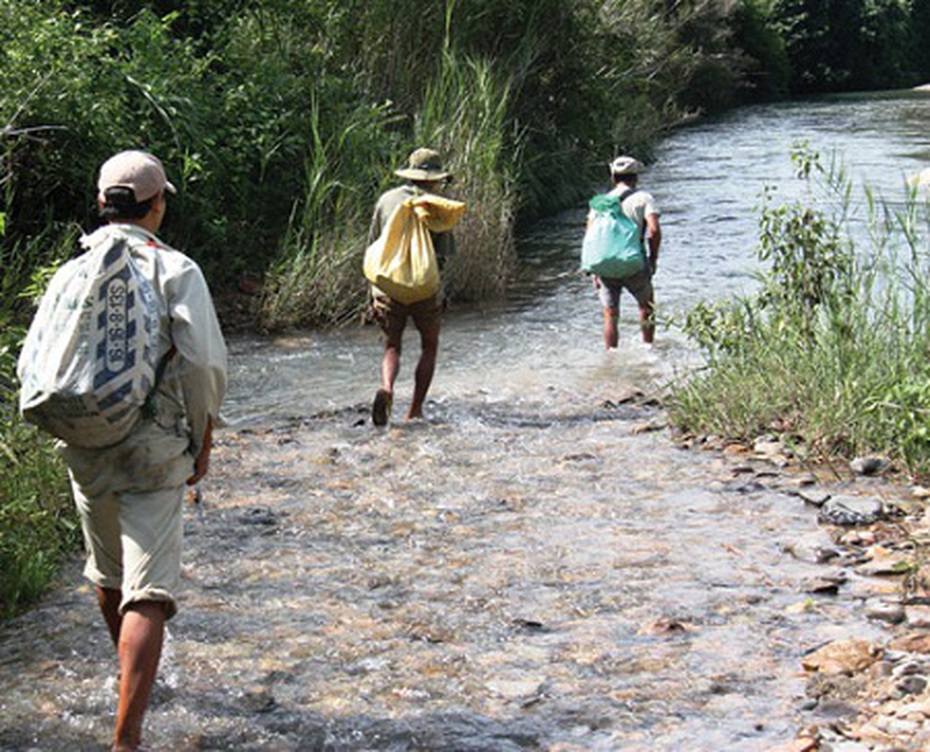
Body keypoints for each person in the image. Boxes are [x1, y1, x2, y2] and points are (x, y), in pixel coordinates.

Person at [56, 150, 227, 751]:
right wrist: (203, 437)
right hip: (151, 447)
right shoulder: (175, 269)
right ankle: (126, 740)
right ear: (156, 205)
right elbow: (203, 362)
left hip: (82, 437)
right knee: (148, 592)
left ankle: (130, 675)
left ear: (103, 204)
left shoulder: (73, 268)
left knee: (107, 575)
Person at [366, 147, 456, 426]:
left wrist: (370, 293)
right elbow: (444, 256)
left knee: (392, 345)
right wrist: (444, 293)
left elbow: (374, 246)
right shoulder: (437, 207)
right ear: (434, 178)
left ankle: (388, 389)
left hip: (388, 287)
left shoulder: (386, 200)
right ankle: (414, 410)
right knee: (429, 345)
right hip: (424, 289)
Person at [588, 155, 662, 348]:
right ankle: (648, 349)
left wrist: (594, 269)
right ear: (635, 177)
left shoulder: (600, 203)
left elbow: (590, 236)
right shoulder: (644, 198)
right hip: (633, 262)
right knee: (646, 307)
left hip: (604, 264)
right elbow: (653, 230)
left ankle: (611, 356)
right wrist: (653, 259)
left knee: (610, 315)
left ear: (613, 178)